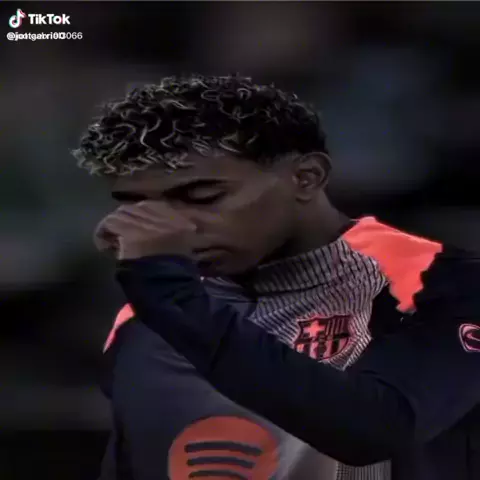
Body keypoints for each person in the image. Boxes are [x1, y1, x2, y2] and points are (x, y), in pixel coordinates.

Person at [73, 74, 480, 480]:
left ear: (307, 177)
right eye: (137, 207)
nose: (166, 227)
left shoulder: (441, 281)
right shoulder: (145, 313)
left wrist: (170, 294)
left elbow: (376, 430)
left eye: (202, 197)